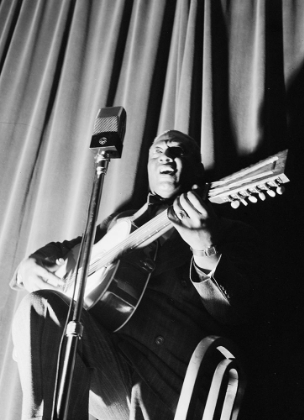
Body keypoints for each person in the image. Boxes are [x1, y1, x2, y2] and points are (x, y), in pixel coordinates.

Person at [11, 130, 262, 420]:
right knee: (38, 305)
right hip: (105, 369)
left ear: (198, 168)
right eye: (157, 152)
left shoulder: (230, 232)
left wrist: (205, 248)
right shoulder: (120, 222)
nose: (166, 156)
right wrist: (32, 263)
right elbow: (69, 249)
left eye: (178, 151)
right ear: (148, 168)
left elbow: (237, 314)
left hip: (168, 388)